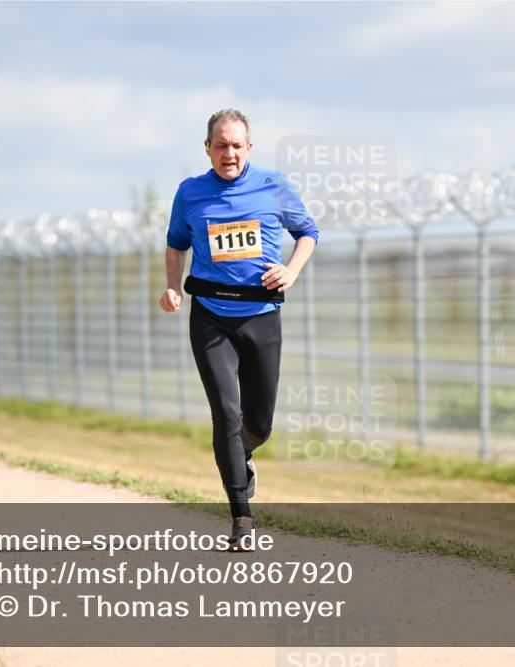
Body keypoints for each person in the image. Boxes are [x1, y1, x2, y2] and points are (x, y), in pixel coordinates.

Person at [159, 109, 318, 552]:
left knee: (259, 423)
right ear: (207, 148)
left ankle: (240, 455)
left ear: (249, 147)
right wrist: (173, 287)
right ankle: (241, 518)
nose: (228, 153)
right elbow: (176, 244)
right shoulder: (190, 193)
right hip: (210, 315)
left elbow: (308, 232)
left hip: (262, 314)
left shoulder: (272, 185)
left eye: (236, 145)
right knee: (226, 414)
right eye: (220, 145)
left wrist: (291, 271)